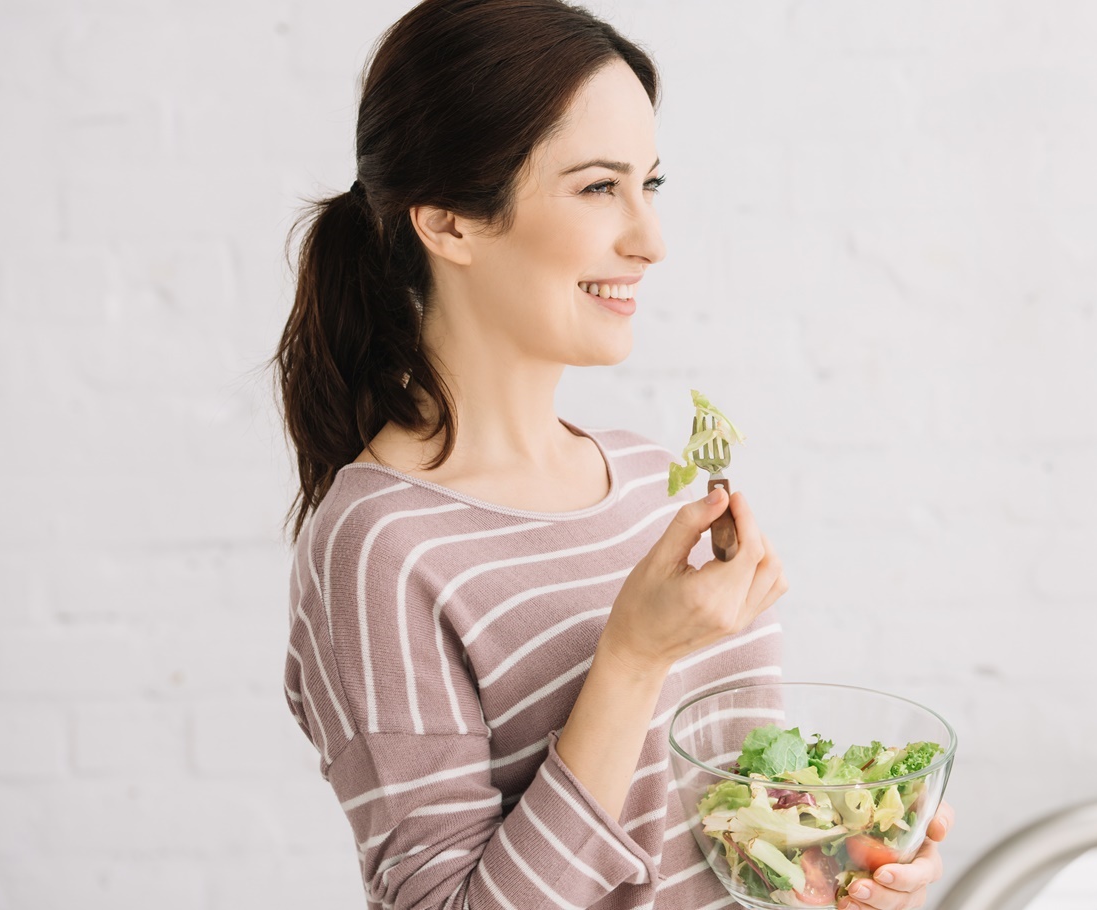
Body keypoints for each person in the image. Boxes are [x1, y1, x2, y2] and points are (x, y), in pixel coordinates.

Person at [272, 2, 953, 909]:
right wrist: (630, 657)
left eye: (652, 185)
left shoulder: (645, 483)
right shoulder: (378, 546)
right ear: (449, 225)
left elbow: (727, 845)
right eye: (599, 188)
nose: (650, 240)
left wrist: (835, 860)